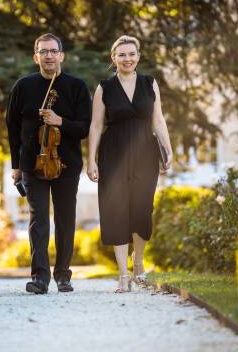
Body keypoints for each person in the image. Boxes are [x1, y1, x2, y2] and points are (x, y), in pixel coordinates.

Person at [6, 33, 91, 294]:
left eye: (53, 51)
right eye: (44, 51)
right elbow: (12, 126)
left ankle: (63, 275)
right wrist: (16, 165)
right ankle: (40, 278)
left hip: (67, 165)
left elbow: (85, 127)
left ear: (61, 55)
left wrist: (60, 122)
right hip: (33, 163)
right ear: (36, 57)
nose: (49, 56)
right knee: (38, 219)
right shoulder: (23, 86)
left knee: (65, 219)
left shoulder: (76, 86)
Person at [87, 35, 172, 293]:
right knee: (116, 211)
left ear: (138, 56)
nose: (127, 59)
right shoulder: (105, 88)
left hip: (146, 152)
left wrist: (169, 150)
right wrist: (90, 159)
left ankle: (139, 264)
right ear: (114, 58)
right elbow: (96, 125)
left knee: (142, 209)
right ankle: (123, 276)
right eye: (121, 55)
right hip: (113, 154)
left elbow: (158, 120)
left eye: (131, 54)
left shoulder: (150, 83)